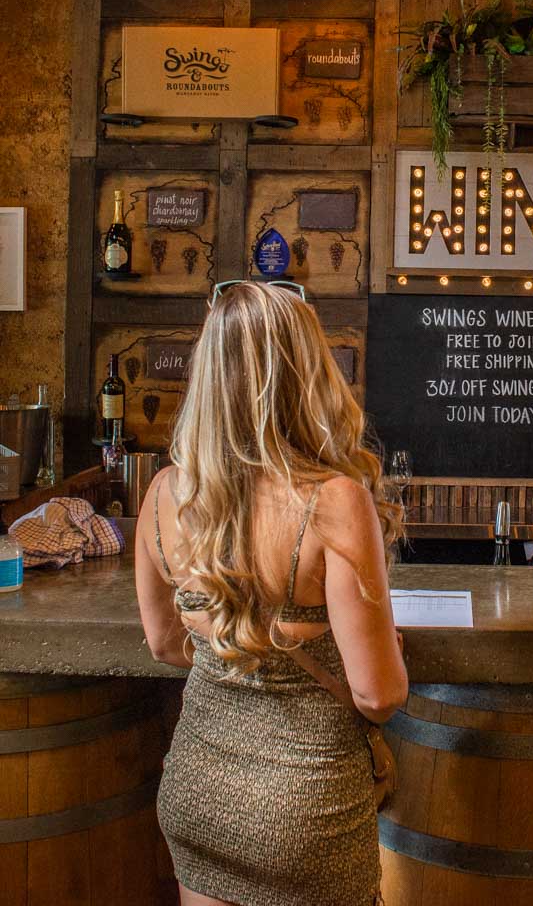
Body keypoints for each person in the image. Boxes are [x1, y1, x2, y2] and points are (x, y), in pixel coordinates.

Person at [135, 281, 407, 906]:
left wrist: (240, 643)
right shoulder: (335, 501)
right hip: (304, 806)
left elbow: (164, 644)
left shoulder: (164, 494)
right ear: (305, 372)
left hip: (197, 793)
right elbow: (378, 694)